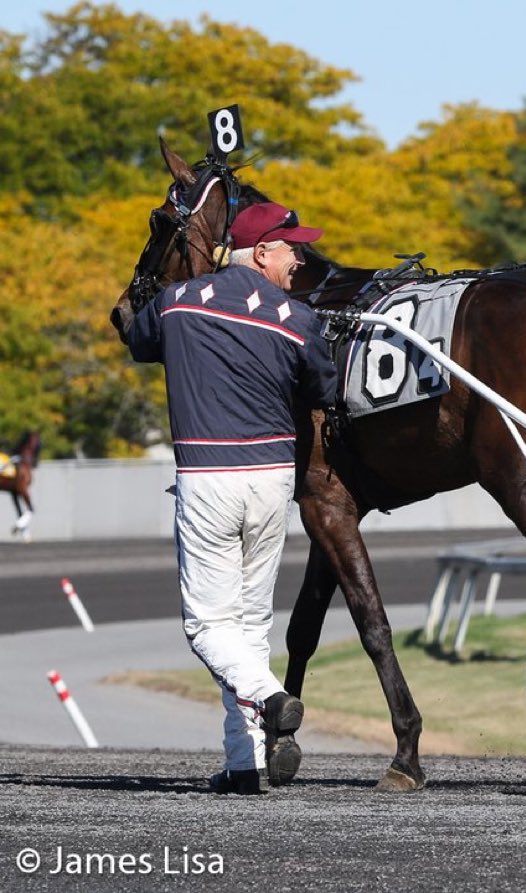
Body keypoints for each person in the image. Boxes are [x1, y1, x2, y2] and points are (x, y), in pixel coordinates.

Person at [128, 202, 337, 795]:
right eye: (291, 246)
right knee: (248, 625)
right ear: (261, 252)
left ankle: (272, 698)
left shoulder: (176, 302)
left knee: (206, 626)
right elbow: (323, 389)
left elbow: (139, 339)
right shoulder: (297, 317)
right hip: (272, 481)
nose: (302, 256)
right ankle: (244, 764)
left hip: (208, 480)